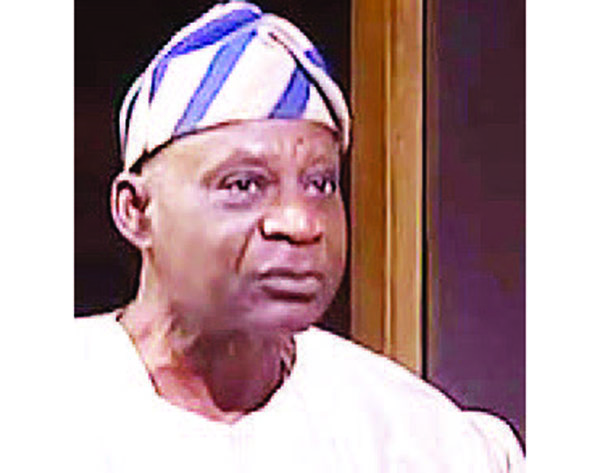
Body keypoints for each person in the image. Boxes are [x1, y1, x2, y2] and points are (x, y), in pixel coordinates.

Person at [75, 2, 524, 471]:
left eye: (320, 184)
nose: (301, 223)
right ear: (136, 210)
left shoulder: (418, 441)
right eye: (244, 185)